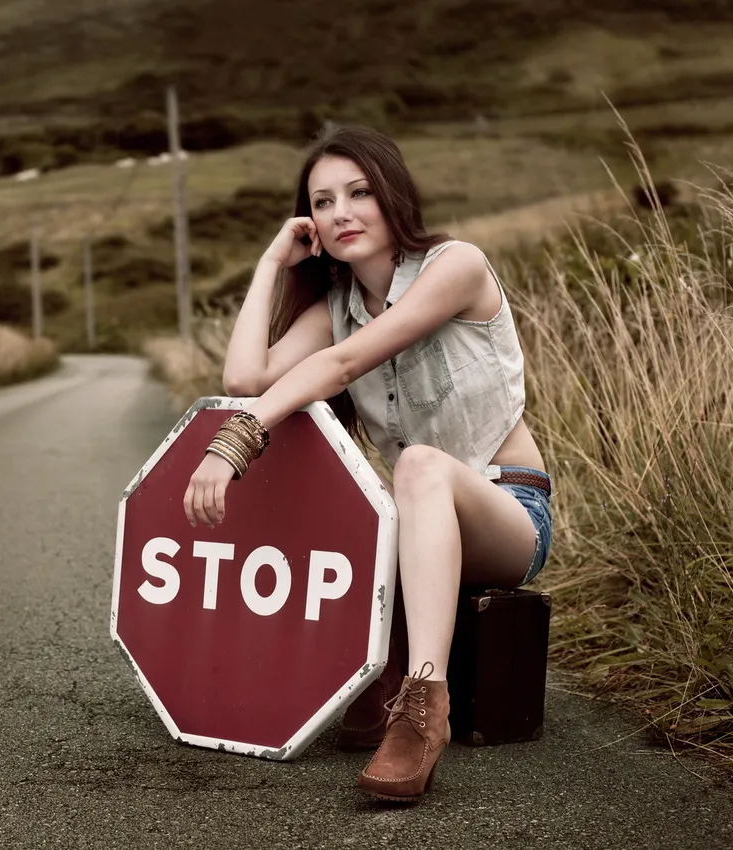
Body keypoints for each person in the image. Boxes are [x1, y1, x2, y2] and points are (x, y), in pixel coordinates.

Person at [182, 125, 554, 804]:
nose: (341, 212)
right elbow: (247, 377)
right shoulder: (337, 309)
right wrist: (271, 264)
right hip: (419, 522)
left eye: (358, 192)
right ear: (311, 224)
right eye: (322, 202)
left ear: (392, 196)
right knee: (393, 483)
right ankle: (369, 673)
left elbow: (346, 365)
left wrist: (235, 441)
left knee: (417, 464)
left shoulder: (457, 265)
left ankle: (423, 706)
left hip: (510, 513)